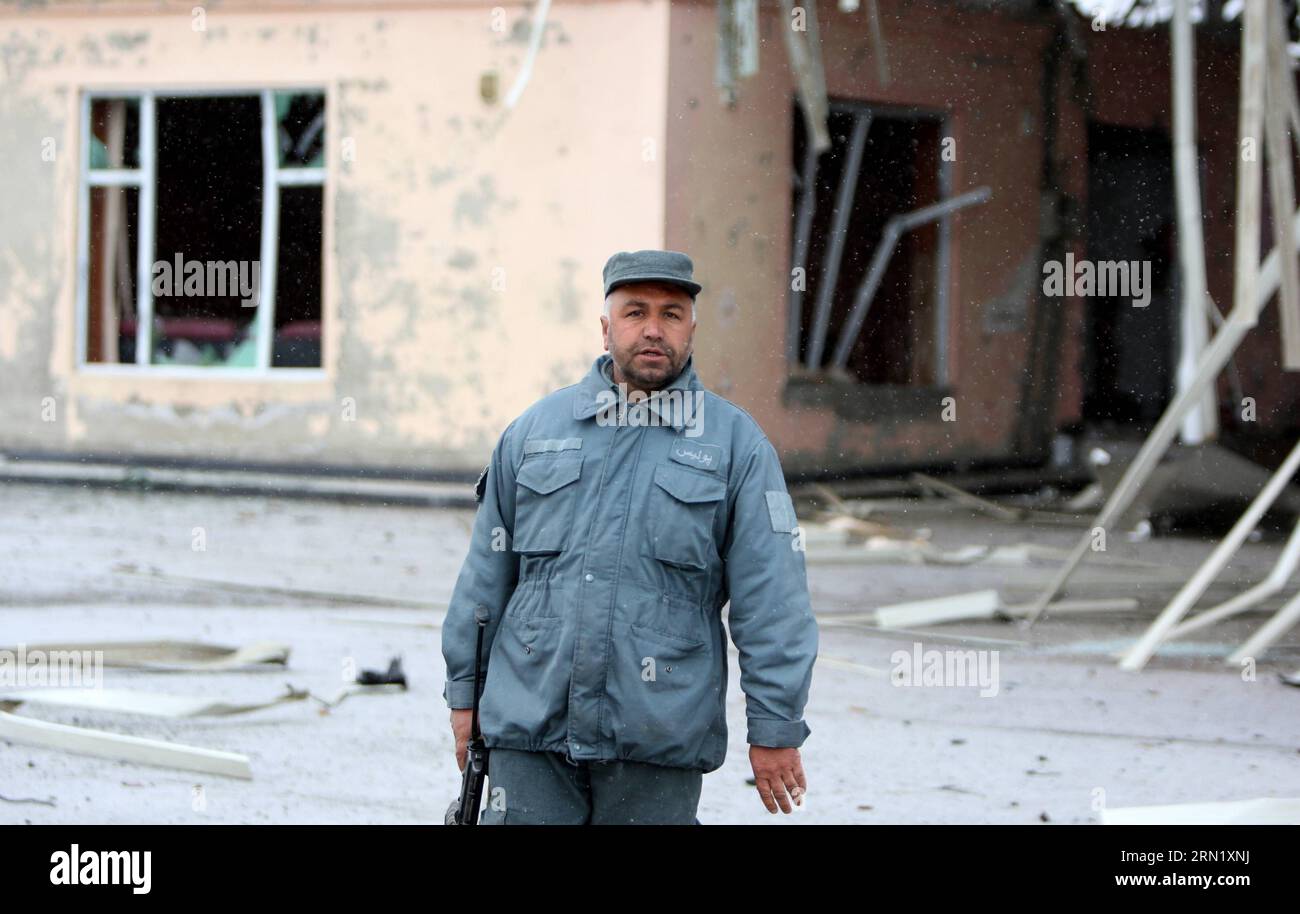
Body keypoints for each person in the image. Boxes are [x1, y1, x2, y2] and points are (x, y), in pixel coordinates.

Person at [441, 249, 818, 824]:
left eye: (671, 314)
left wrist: (775, 726)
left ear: (692, 329)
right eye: (635, 311)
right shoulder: (536, 433)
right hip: (529, 722)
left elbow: (773, 600)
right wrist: (466, 694)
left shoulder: (735, 446)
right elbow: (485, 579)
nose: (652, 329)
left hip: (656, 732)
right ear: (605, 326)